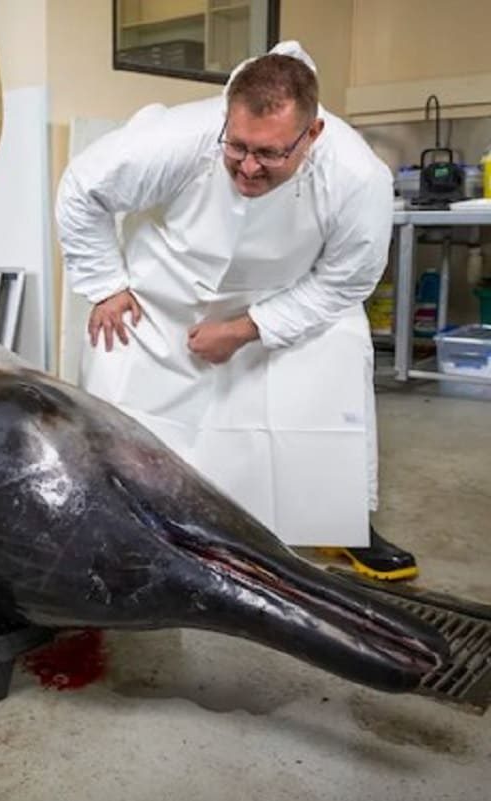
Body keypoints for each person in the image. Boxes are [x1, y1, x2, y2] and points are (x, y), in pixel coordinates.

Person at [55, 41, 416, 580]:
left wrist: (249, 329)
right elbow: (83, 189)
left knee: (336, 352)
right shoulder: (180, 136)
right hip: (167, 299)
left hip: (291, 301)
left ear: (312, 135)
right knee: (121, 383)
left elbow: (346, 280)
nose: (248, 167)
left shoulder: (358, 177)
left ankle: (337, 523)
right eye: (238, 146)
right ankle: (127, 522)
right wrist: (107, 285)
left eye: (270, 154)